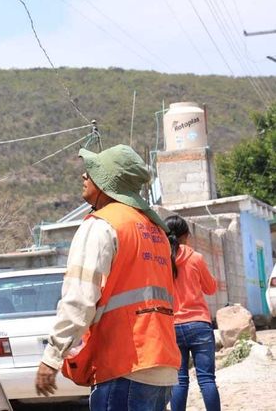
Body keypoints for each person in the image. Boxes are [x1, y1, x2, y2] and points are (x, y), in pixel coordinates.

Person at [35, 145, 181, 410]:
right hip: (161, 364)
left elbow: (79, 299)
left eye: (91, 172)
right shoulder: (155, 230)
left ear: (107, 182)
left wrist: (52, 357)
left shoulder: (102, 225)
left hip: (124, 365)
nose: (84, 176)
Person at [165, 214, 220, 411]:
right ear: (186, 235)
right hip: (199, 325)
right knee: (206, 379)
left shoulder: (160, 262)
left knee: (179, 380)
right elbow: (211, 288)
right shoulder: (196, 258)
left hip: (171, 327)